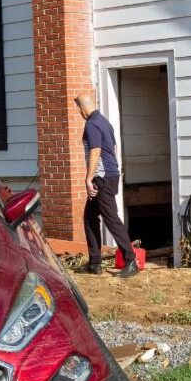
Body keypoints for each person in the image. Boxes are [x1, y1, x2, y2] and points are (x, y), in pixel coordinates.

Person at [74, 94, 138, 279]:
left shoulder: (92, 124)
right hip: (108, 175)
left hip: (101, 178)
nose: (78, 113)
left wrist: (89, 179)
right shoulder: (105, 122)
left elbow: (95, 151)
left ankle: (130, 260)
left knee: (111, 218)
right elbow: (115, 148)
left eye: (78, 110)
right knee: (90, 217)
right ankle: (95, 263)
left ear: (81, 109)